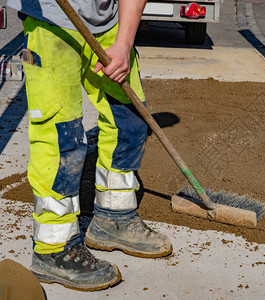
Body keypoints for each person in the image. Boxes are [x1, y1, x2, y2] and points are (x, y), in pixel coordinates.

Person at [6, 0, 173, 291]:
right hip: (51, 25)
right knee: (62, 139)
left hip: (109, 25)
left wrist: (124, 42)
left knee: (129, 121)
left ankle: (114, 219)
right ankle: (54, 249)